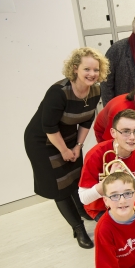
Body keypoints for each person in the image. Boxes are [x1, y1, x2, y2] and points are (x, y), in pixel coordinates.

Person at [24, 47, 108, 249]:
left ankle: (82, 209)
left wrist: (78, 146)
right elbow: (49, 127)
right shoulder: (59, 92)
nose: (92, 74)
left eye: (96, 70)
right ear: (75, 69)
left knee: (76, 178)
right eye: (87, 69)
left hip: (70, 139)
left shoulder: (95, 90)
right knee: (59, 186)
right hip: (43, 142)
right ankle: (78, 229)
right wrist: (63, 150)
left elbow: (87, 120)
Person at [79, 109, 135, 221]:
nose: (132, 137)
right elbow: (84, 198)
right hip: (101, 207)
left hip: (130, 201)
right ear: (113, 132)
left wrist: (129, 180)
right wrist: (109, 182)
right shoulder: (95, 154)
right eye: (125, 131)